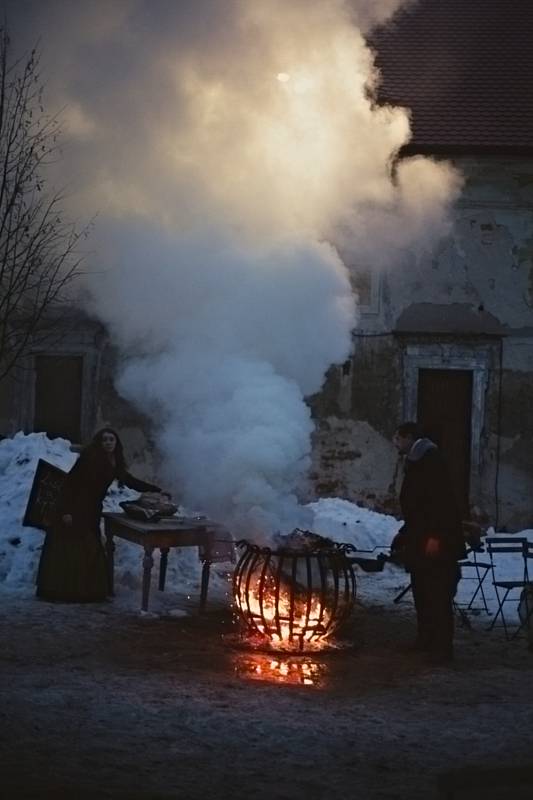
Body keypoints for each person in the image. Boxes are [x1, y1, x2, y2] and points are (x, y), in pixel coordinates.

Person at [36, 427, 164, 603]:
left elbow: (130, 481)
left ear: (116, 443)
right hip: (76, 507)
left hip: (92, 509)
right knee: (76, 548)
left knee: (90, 546)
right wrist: (66, 511)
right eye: (105, 440)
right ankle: (67, 592)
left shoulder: (114, 462)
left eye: (112, 440)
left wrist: (156, 489)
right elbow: (70, 484)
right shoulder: (89, 458)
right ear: (99, 442)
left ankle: (86, 591)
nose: (108, 443)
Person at [391, 421, 467, 665]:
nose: (396, 443)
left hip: (436, 541)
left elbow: (440, 503)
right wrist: (405, 533)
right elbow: (417, 506)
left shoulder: (431, 460)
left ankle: (443, 649)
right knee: (421, 591)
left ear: (409, 437)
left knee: (438, 594)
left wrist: (436, 537)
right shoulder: (416, 460)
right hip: (419, 536)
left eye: (398, 438)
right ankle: (425, 640)